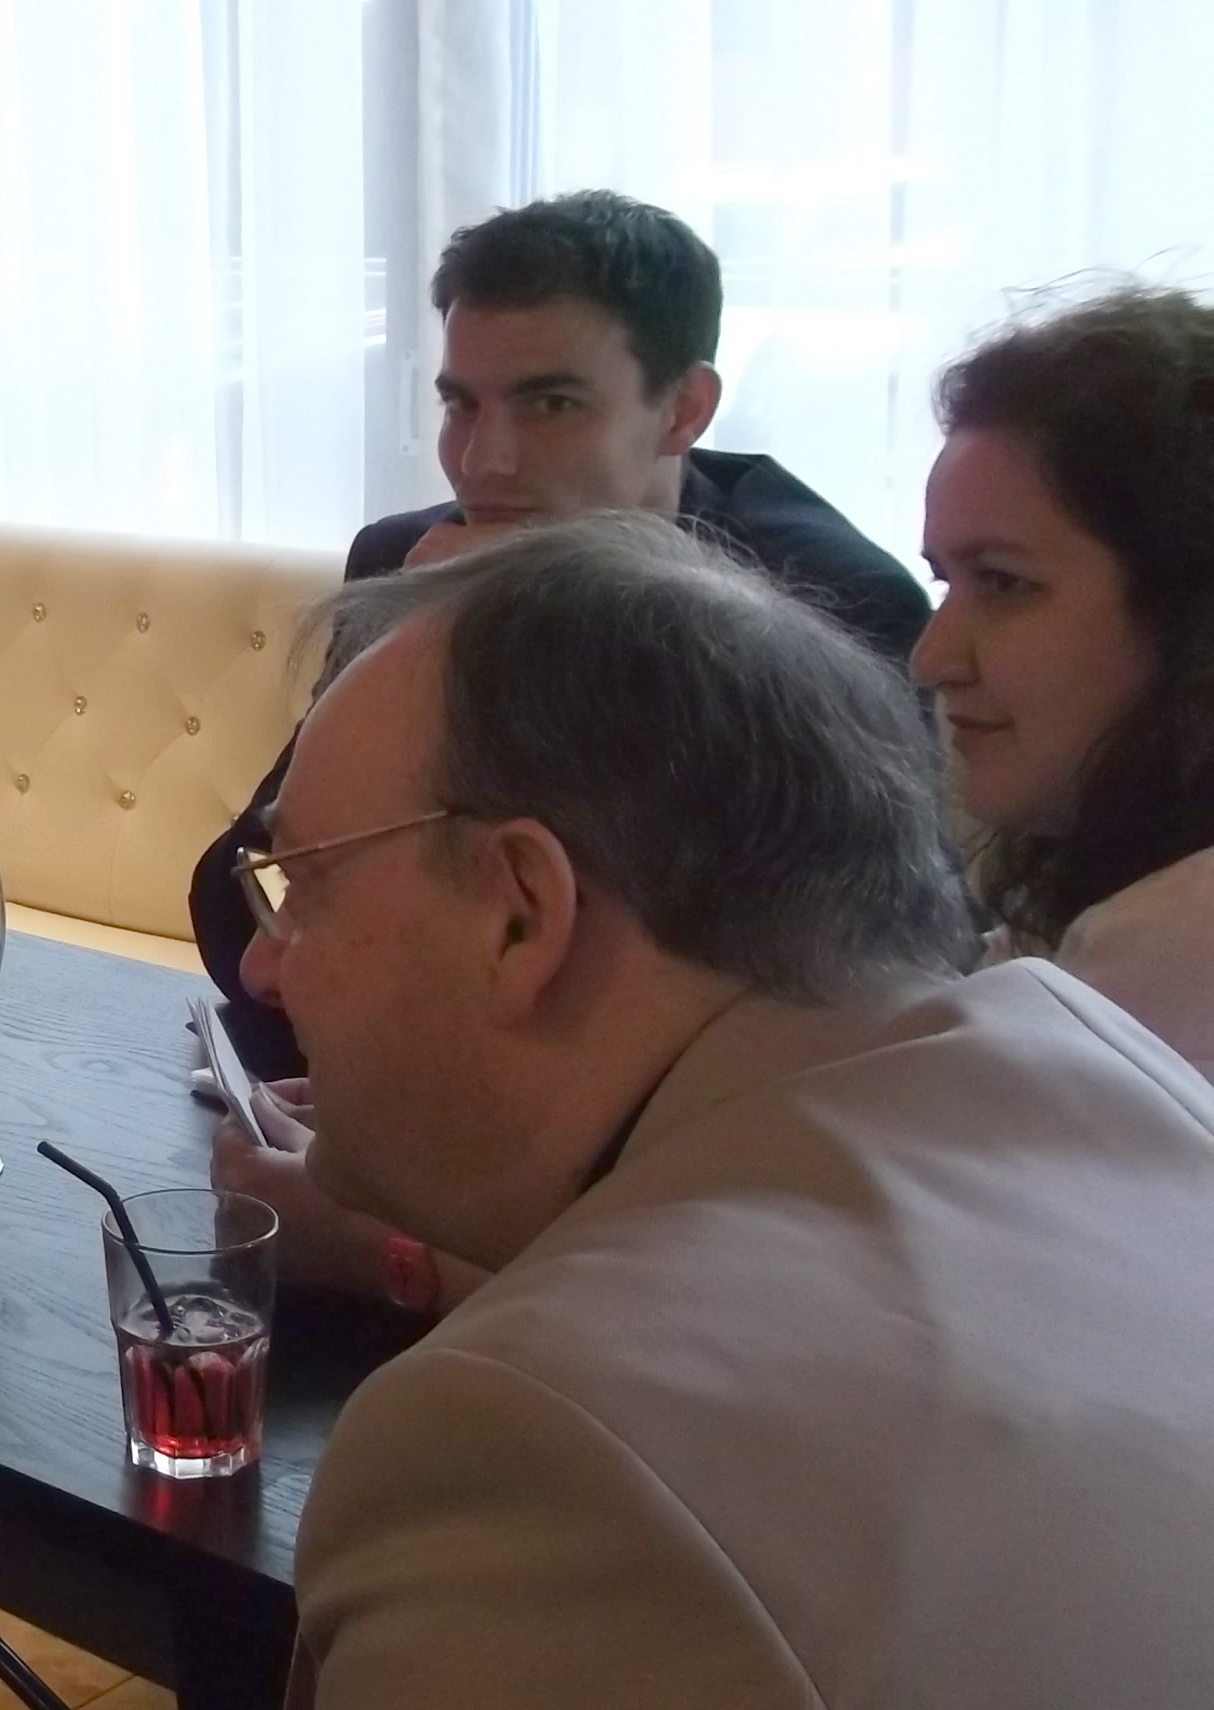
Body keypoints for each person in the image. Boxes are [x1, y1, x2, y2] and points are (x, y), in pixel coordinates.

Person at [245, 516, 1214, 1710]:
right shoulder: (1120, 1079)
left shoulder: (538, 1440)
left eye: (305, 885)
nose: (266, 968)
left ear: (520, 913)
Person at [191, 189, 931, 1084]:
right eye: (462, 406)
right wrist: (420, 643)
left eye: (549, 404)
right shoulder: (411, 557)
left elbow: (811, 993)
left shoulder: (825, 607)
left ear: (684, 409)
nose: (484, 461)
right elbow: (239, 900)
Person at [916, 285, 1214, 1074]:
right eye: (946, 583)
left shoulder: (1180, 942)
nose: (933, 660)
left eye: (1003, 583)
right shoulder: (1106, 879)